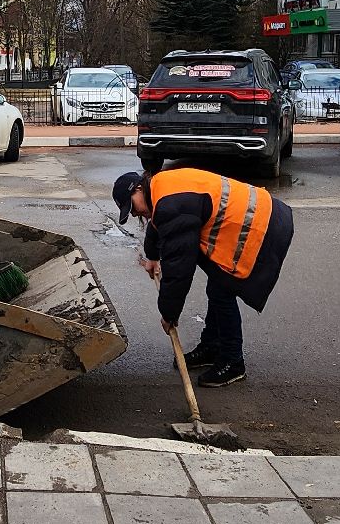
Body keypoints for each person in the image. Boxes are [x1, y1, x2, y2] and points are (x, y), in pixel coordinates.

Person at [113, 166, 294, 387]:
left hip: (261, 226)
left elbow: (179, 268)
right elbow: (157, 223)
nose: (135, 213)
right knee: (217, 287)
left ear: (139, 188)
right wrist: (152, 256)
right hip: (259, 216)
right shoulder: (161, 188)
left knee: (222, 293)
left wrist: (168, 313)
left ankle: (232, 361)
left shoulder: (170, 204)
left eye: (133, 207)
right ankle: (213, 346)